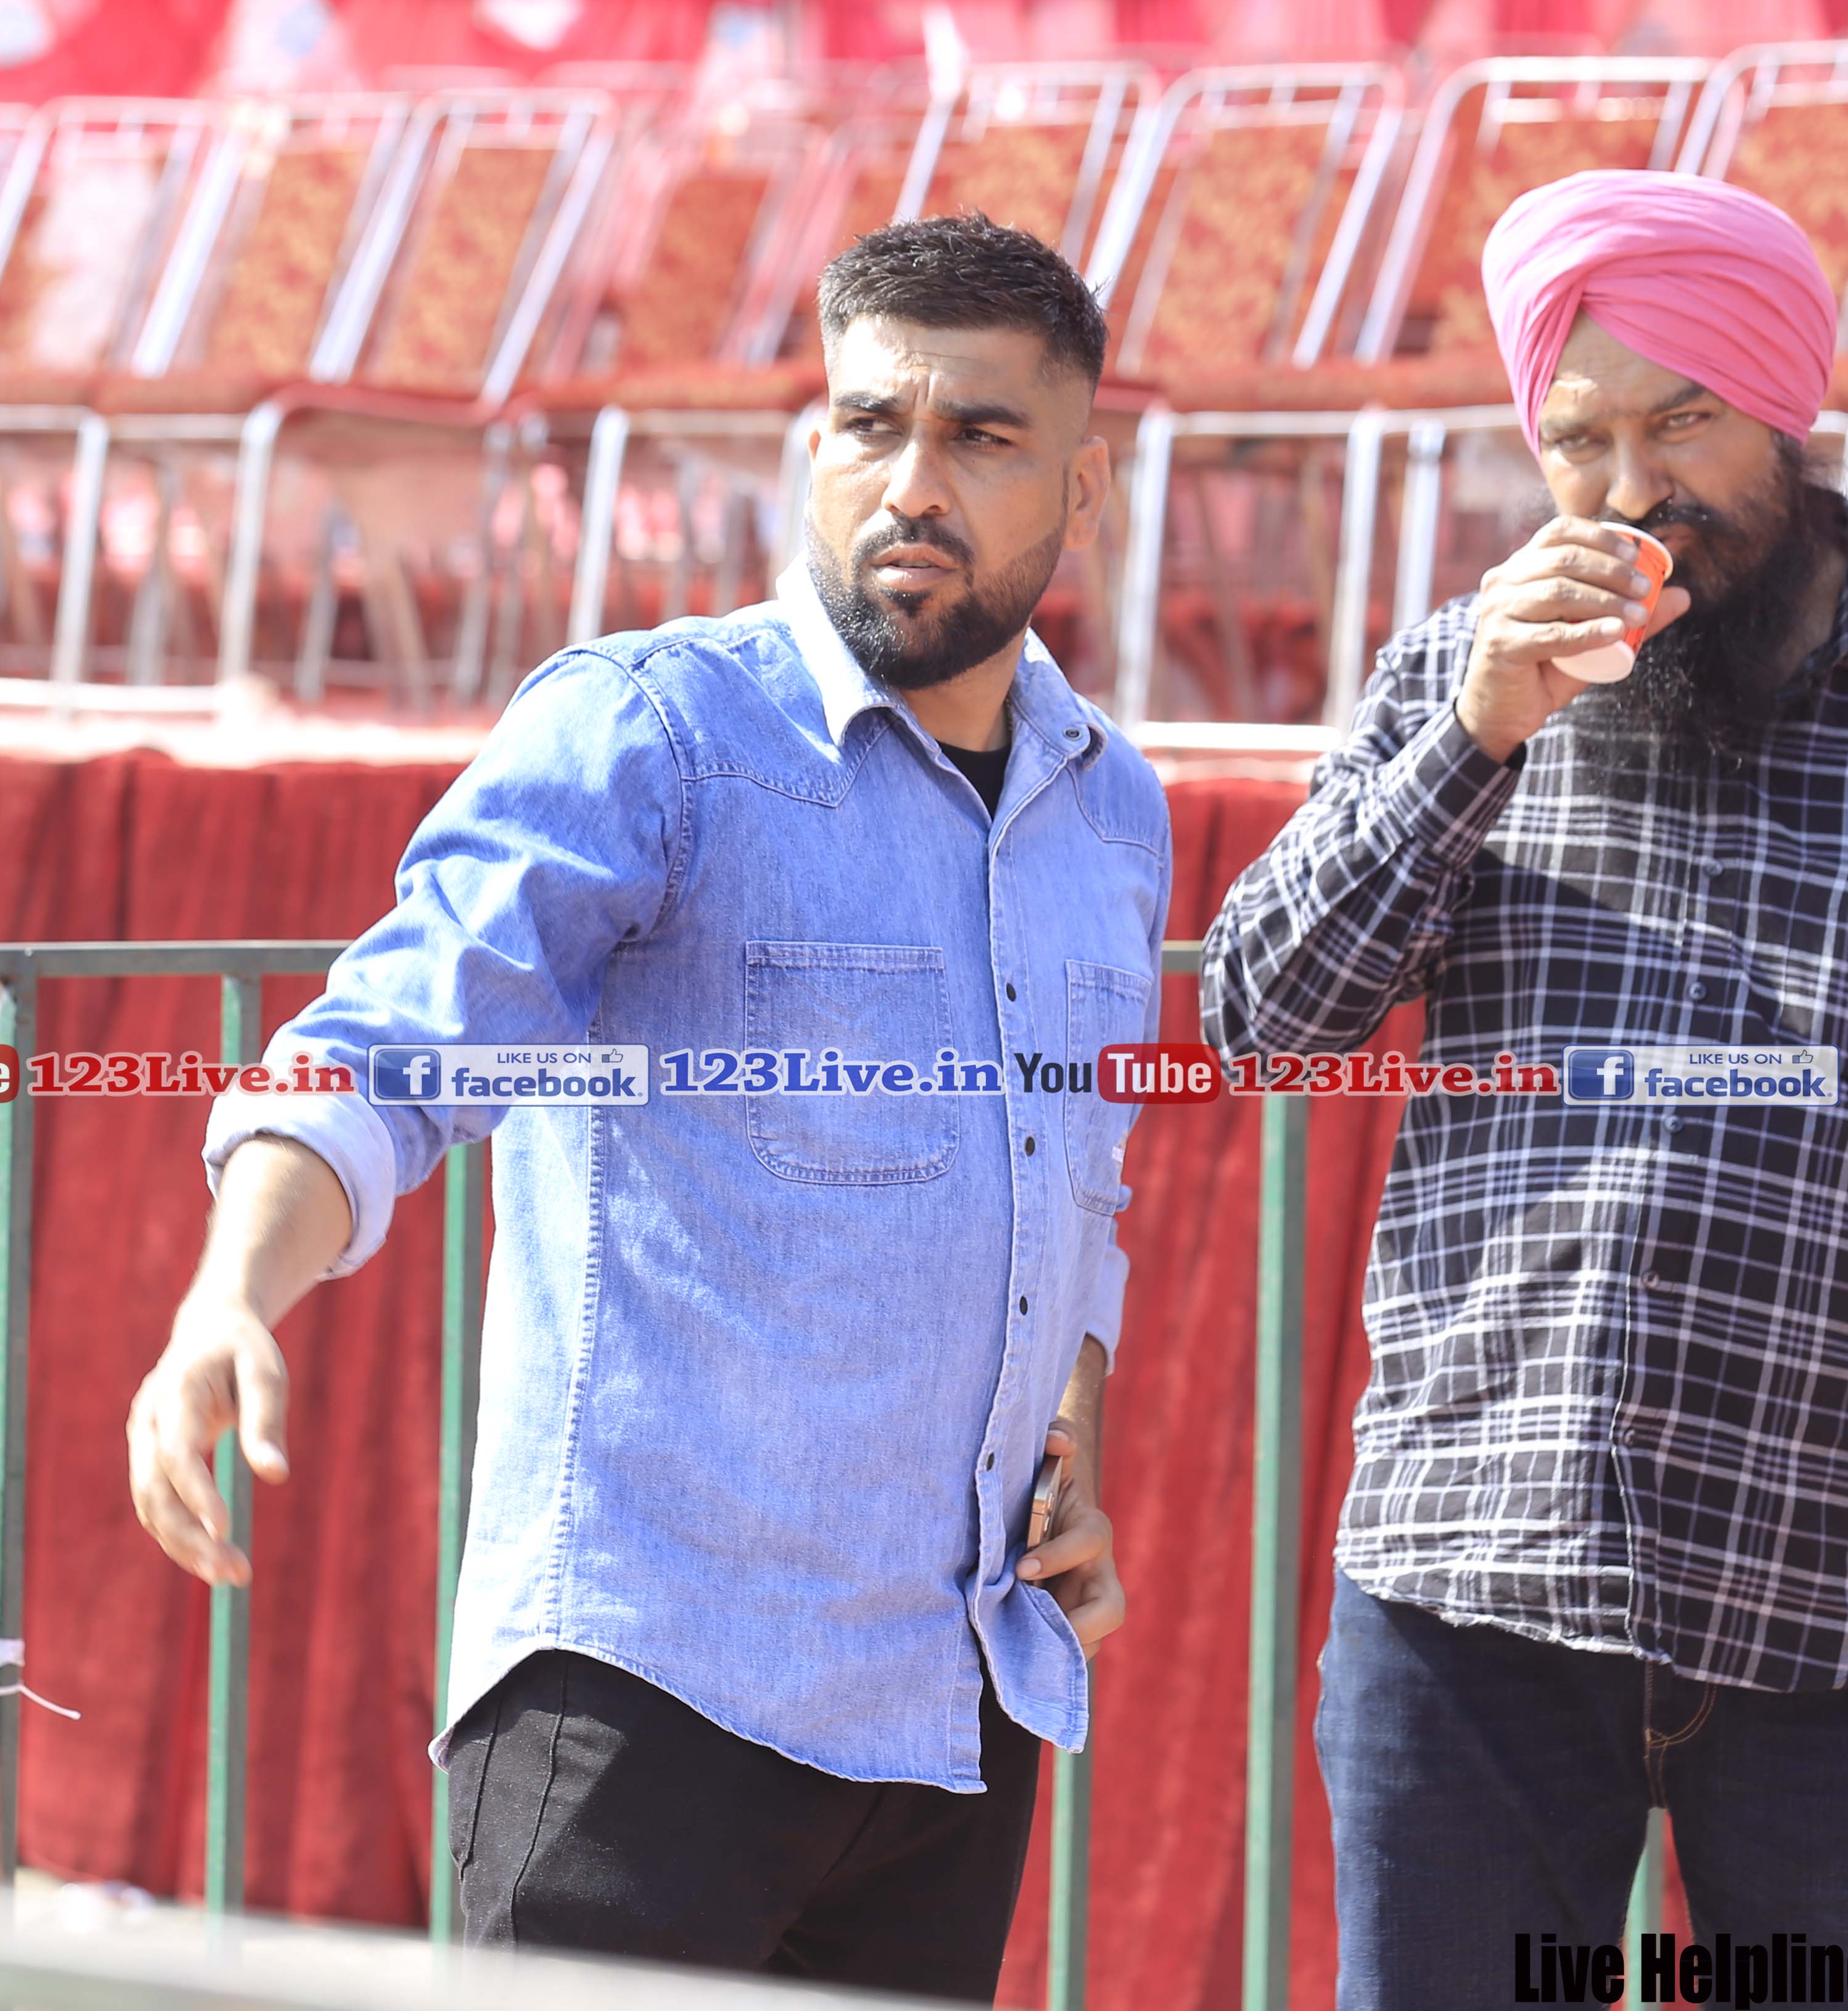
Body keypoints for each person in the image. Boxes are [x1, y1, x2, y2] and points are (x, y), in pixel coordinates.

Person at [1200, 171, 1848, 1988]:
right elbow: (1265, 1016)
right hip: (1480, 1578)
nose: (1630, 490)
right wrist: (1475, 738)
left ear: (1781, 406)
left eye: (1681, 422)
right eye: (1581, 440)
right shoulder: (1460, 672)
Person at [123, 212, 1166, 2001]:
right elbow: (397, 1036)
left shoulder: (1109, 806)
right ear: (813, 445)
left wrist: (1067, 1435)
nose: (911, 483)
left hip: (952, 1711)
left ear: (1084, 487)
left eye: (982, 437)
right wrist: (234, 1288)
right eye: (870, 425)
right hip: (645, 1695)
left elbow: (1074, 1184)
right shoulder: (656, 733)